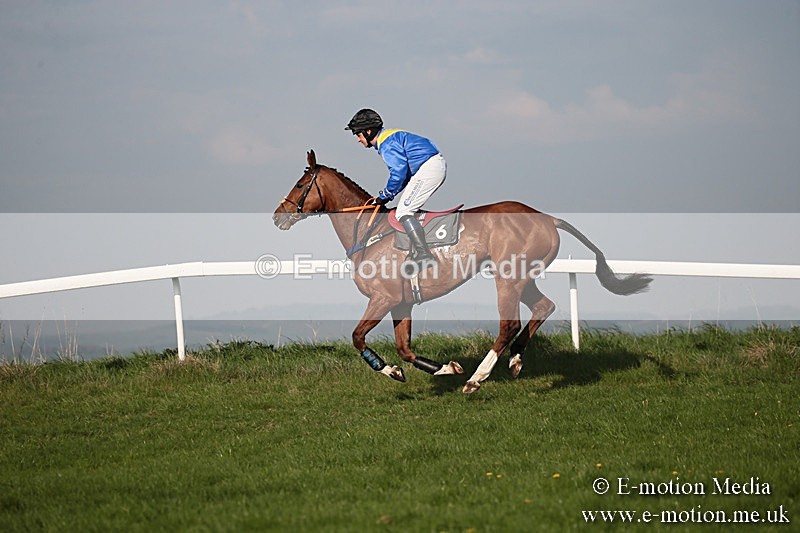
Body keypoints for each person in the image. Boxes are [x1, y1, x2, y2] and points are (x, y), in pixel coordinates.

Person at [345, 108, 446, 269]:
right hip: (429, 166)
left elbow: (399, 174)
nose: (358, 139)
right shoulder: (388, 138)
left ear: (369, 131)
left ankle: (424, 254)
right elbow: (403, 175)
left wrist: (384, 195)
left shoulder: (387, 144)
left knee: (403, 212)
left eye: (358, 134)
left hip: (428, 167)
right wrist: (386, 196)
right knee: (406, 209)